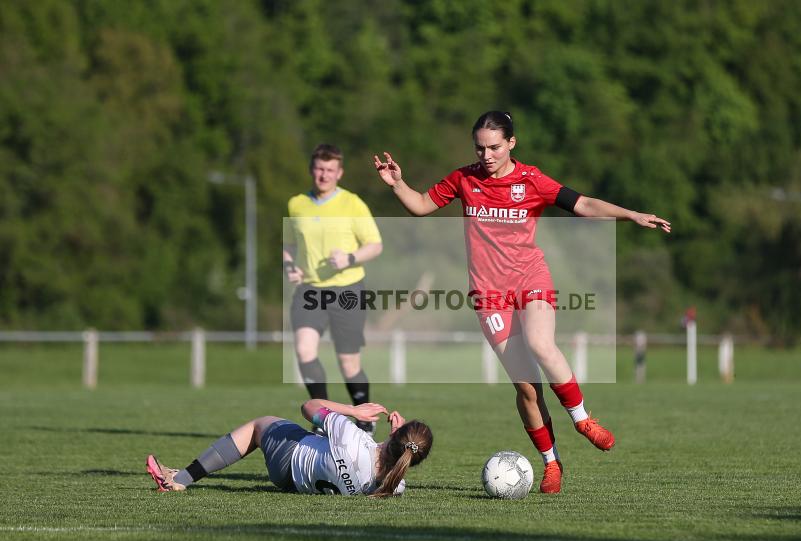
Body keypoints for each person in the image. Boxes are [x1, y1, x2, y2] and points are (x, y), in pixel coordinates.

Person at [373, 111, 670, 494]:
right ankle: (551, 463)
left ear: (512, 143)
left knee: (541, 343)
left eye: (494, 147)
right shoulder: (464, 179)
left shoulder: (531, 180)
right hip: (488, 295)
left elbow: (583, 205)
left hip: (530, 277)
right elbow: (420, 205)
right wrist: (397, 184)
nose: (486, 155)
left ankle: (582, 419)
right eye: (480, 147)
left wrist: (631, 215)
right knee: (527, 389)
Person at [284, 144, 383, 433]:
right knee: (304, 351)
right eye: (319, 169)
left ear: (339, 173)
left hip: (347, 289)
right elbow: (289, 244)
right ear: (311, 170)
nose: (323, 175)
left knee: (348, 362)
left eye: (330, 170)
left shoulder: (353, 203)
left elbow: (375, 245)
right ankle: (322, 417)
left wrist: (349, 258)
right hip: (309, 290)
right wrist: (290, 266)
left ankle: (365, 419)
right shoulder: (296, 204)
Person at [146, 400, 432, 497]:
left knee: (261, 424)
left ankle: (181, 479)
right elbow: (393, 460)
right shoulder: (395, 485)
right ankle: (178, 477)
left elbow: (308, 407)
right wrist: (396, 436)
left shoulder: (352, 438)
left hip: (289, 459)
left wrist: (352, 410)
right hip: (295, 485)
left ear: (396, 438)